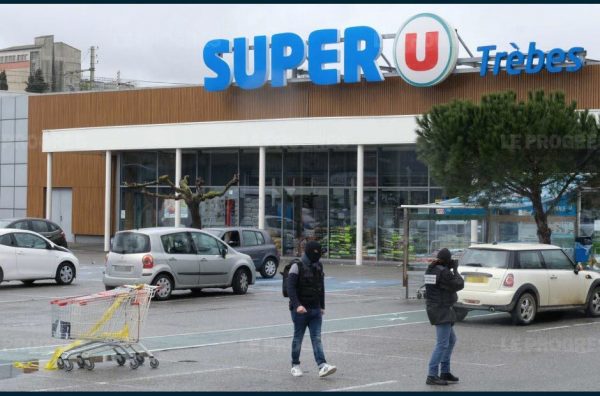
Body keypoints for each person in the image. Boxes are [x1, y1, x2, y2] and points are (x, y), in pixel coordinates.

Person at [287, 241, 337, 378]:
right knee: (298, 338)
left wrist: (322, 306)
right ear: (309, 252)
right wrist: (297, 305)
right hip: (300, 311)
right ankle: (295, 365)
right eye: (316, 253)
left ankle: (322, 365)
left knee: (317, 338)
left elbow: (321, 287)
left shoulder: (319, 266)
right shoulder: (296, 267)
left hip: (315, 309)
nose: (318, 256)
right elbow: (290, 288)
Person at [424, 248, 464, 386]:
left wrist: (449, 269)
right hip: (441, 309)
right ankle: (432, 375)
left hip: (436, 308)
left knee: (451, 340)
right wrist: (455, 270)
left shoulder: (431, 269)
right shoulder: (443, 272)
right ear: (447, 259)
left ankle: (445, 371)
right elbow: (459, 284)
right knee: (442, 343)